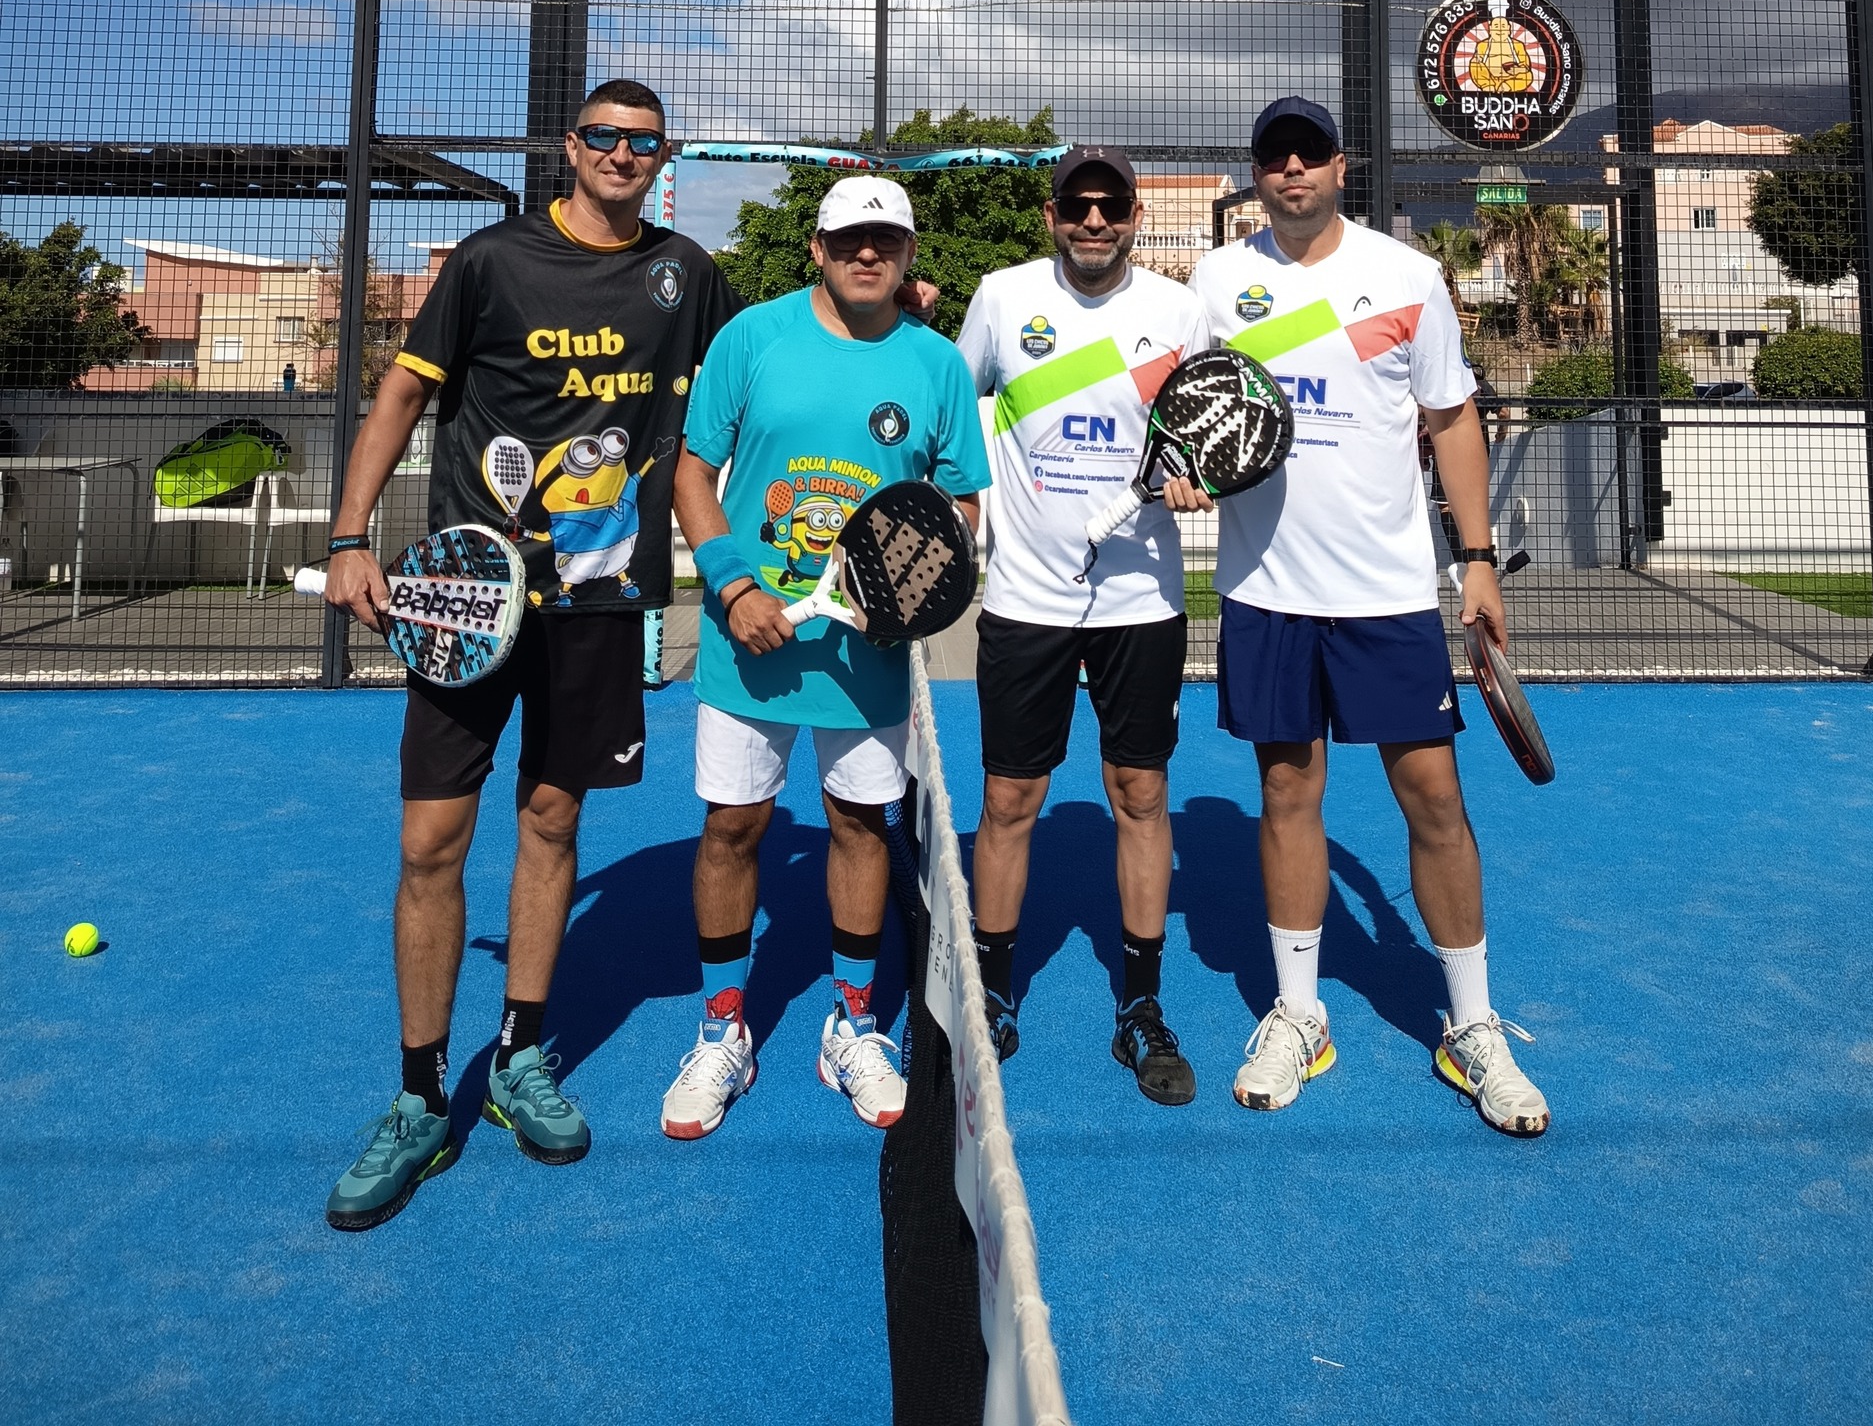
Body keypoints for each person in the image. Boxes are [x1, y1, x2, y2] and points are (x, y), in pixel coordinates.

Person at [321, 81, 737, 1230]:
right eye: (602, 135)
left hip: (597, 606)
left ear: (663, 155)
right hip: (469, 601)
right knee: (430, 841)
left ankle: (518, 1056)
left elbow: (756, 371)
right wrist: (350, 536)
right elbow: (403, 392)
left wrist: (897, 307)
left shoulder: (686, 273)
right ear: (571, 145)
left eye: (641, 141)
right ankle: (419, 1097)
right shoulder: (491, 260)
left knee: (552, 822)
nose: (620, 153)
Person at [1187, 96, 1550, 1137]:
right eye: (1275, 156)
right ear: (1257, 175)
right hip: (1267, 592)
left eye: (1309, 154)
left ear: (1341, 167)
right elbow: (1193, 408)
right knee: (1286, 792)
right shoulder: (1217, 282)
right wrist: (1184, 469)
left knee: (1433, 795)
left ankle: (1470, 1024)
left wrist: (1476, 561)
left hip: (1388, 595)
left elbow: (1451, 418)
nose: (1292, 170)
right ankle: (1300, 1014)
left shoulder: (1406, 276)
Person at [663, 174, 988, 1141]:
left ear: (909, 254)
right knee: (733, 827)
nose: (866, 254)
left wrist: (902, 590)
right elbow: (692, 473)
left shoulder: (936, 363)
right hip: (747, 642)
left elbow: (961, 506)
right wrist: (734, 587)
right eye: (848, 239)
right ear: (818, 247)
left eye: (884, 240)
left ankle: (852, 1025)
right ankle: (722, 1030)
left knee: (859, 824)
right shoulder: (750, 338)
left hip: (867, 655)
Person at [958, 146, 1209, 1103]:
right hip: (1026, 597)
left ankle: (1140, 1006)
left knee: (1140, 793)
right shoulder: (1002, 296)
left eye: (1110, 206)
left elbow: (1205, 428)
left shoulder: (1179, 312)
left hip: (1141, 600)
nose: (1094, 221)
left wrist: (1194, 474)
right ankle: (990, 994)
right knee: (1009, 800)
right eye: (1077, 205)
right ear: (1051, 215)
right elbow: (951, 405)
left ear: (1135, 216)